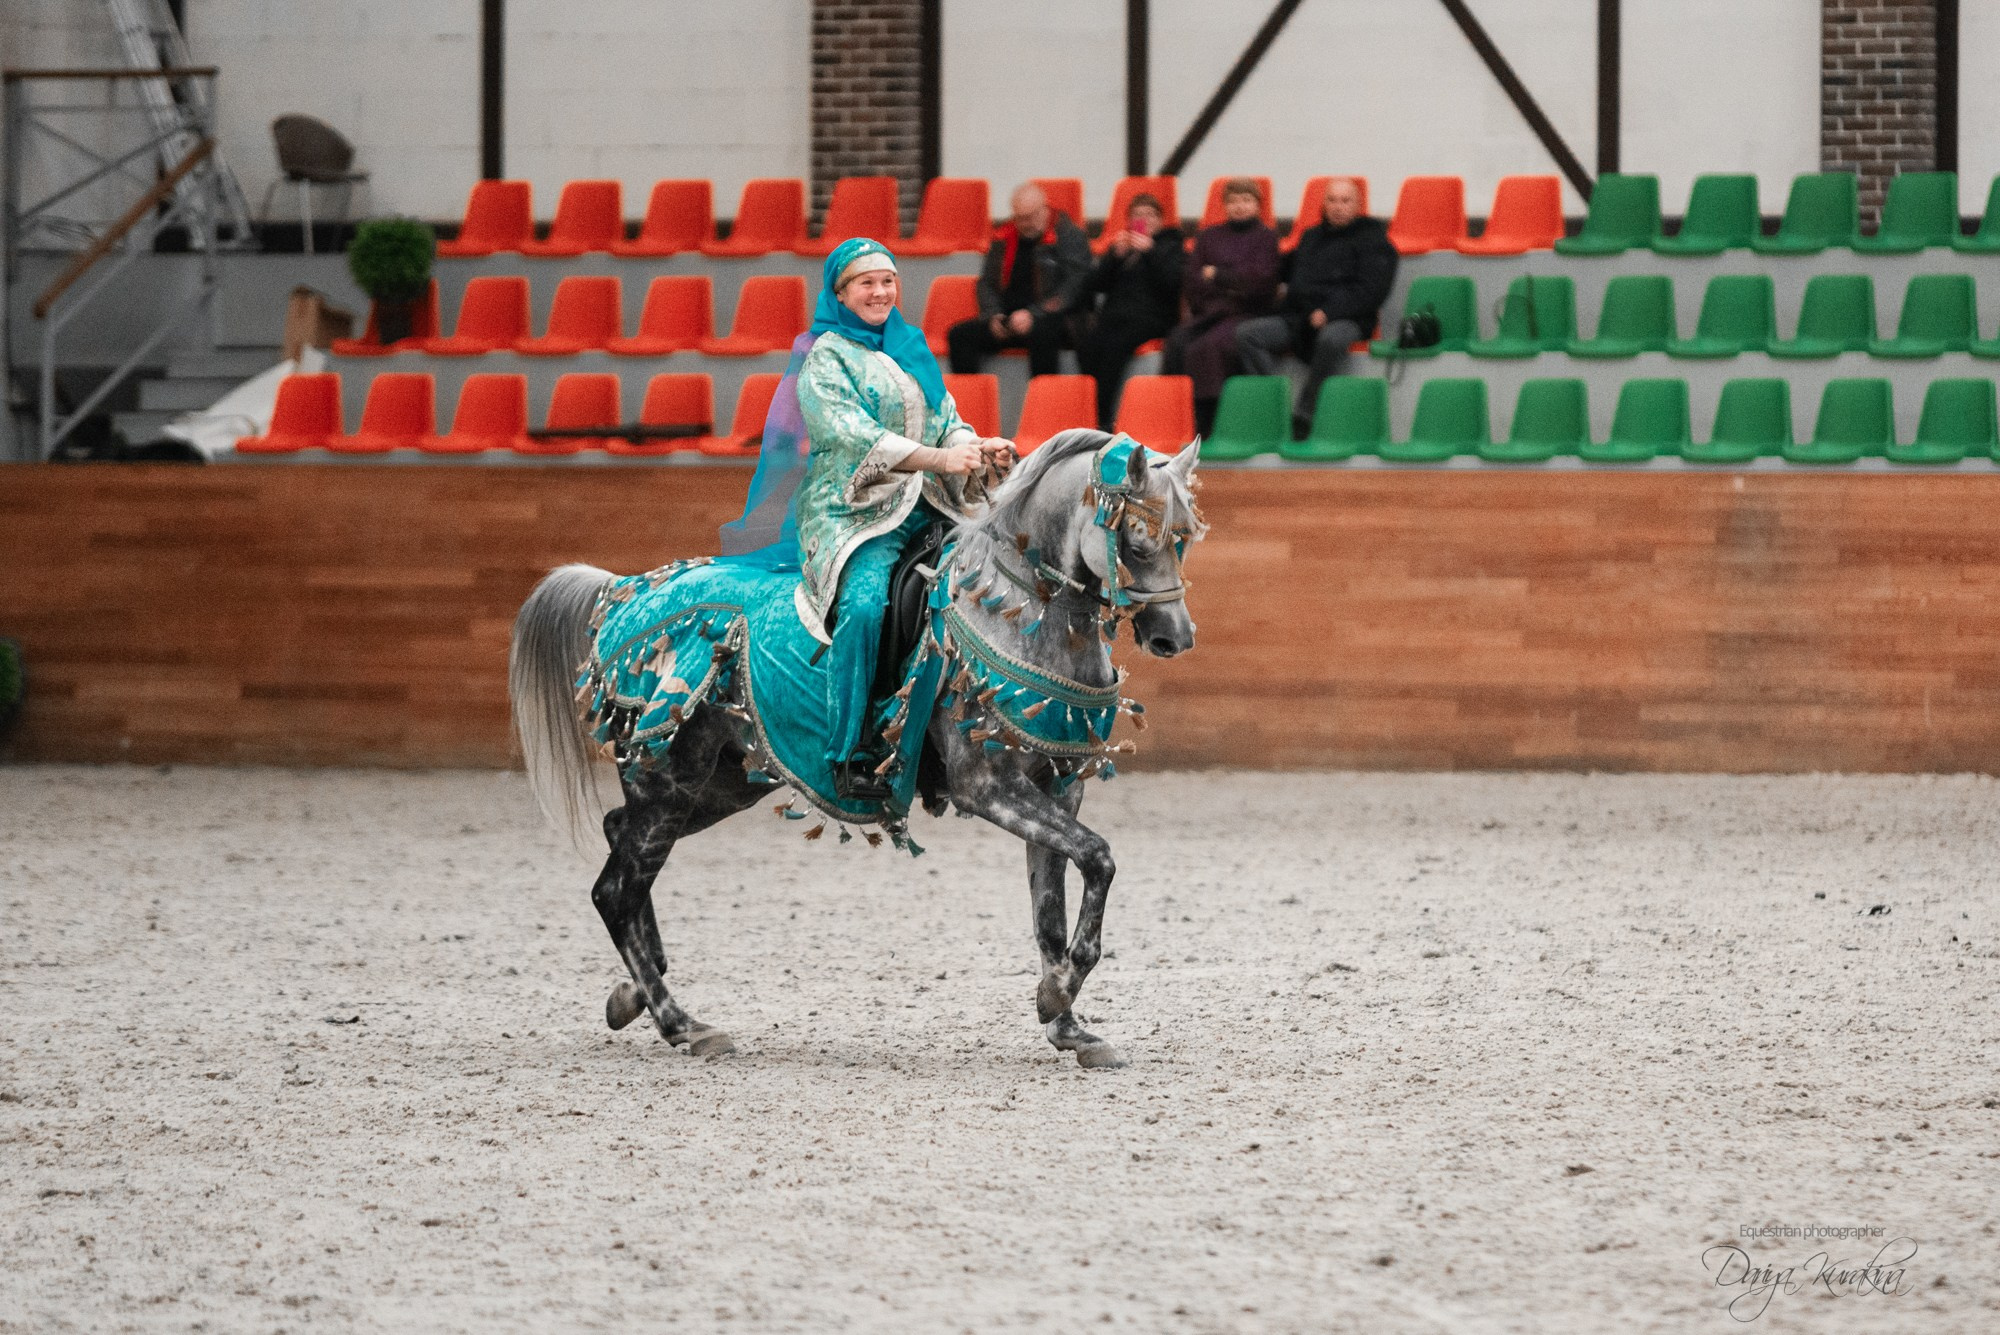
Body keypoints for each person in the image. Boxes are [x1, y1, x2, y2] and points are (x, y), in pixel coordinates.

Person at [795, 238, 1015, 801]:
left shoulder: (909, 345)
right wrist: (942, 459)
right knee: (866, 606)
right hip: (856, 512)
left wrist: (974, 445)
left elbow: (946, 418)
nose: (880, 292)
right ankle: (848, 752)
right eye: (866, 283)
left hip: (929, 503)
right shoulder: (826, 357)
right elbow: (851, 435)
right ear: (840, 293)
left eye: (887, 281)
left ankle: (951, 740)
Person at [1234, 177, 1398, 435]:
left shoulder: (1375, 240)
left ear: (1358, 205)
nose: (1338, 206)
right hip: (1300, 316)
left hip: (1349, 318)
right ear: (1324, 204)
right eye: (1332, 200)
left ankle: (1305, 413)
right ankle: (1275, 406)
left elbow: (1372, 291)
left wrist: (1330, 312)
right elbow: (1285, 269)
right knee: (1247, 335)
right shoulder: (1311, 236)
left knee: (1332, 339)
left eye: (1345, 201)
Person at [1163, 177, 1280, 435]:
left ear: (1258, 205)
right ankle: (1175, 416)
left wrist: (1218, 276)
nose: (1240, 206)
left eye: (1246, 200)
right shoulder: (1209, 236)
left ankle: (1210, 422)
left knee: (1211, 346)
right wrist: (1231, 283)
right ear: (1225, 204)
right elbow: (1193, 280)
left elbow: (1261, 283)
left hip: (1247, 313)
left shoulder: (1266, 238)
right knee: (1177, 339)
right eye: (1233, 200)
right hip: (1209, 311)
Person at [947, 183, 1092, 377]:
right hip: (1009, 319)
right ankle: (967, 403)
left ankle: (1042, 403)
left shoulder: (1069, 236)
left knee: (1043, 334)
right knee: (959, 335)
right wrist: (993, 315)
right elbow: (987, 283)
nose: (1025, 224)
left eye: (1031, 217)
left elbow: (1074, 286)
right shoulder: (1003, 237)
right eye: (1020, 218)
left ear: (1045, 209)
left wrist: (1034, 314)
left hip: (1054, 318)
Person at [1074, 192, 1185, 430]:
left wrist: (1151, 252)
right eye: (1137, 215)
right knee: (1088, 343)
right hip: (1117, 315)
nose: (1144, 220)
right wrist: (1114, 257)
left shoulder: (1171, 245)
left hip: (1153, 317)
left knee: (1116, 346)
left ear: (1160, 219)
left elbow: (1172, 285)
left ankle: (1104, 419)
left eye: (1150, 215)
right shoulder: (1122, 248)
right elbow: (1096, 285)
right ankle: (1090, 412)